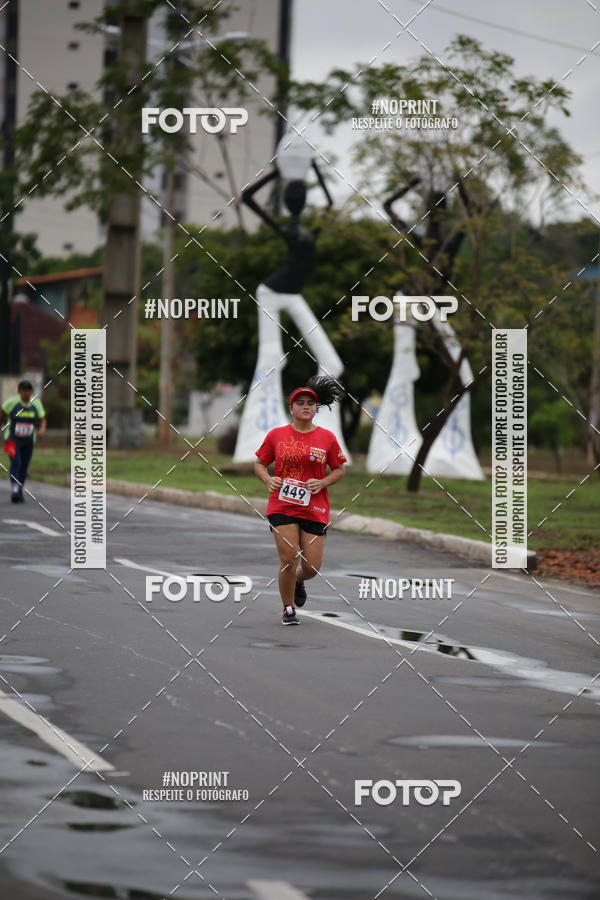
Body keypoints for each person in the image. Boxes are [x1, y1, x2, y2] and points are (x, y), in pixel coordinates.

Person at [254, 375, 347, 625]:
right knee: (289, 556)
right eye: (300, 402)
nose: (305, 406)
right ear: (291, 408)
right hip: (282, 505)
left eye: (310, 403)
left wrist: (323, 482)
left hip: (315, 507)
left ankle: (297, 580)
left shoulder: (326, 438)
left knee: (312, 567)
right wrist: (267, 479)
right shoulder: (277, 435)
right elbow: (260, 463)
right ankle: (288, 608)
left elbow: (339, 469)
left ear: (316, 409)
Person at [1, 380, 46, 503]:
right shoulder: (12, 403)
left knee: (24, 465)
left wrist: (42, 429)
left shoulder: (36, 403)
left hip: (28, 441)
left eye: (28, 390)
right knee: (16, 462)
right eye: (23, 390)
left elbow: (42, 419)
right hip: (11, 440)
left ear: (31, 392)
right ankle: (14, 489)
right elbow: (2, 415)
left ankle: (19, 489)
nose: (26, 393)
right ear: (19, 391)